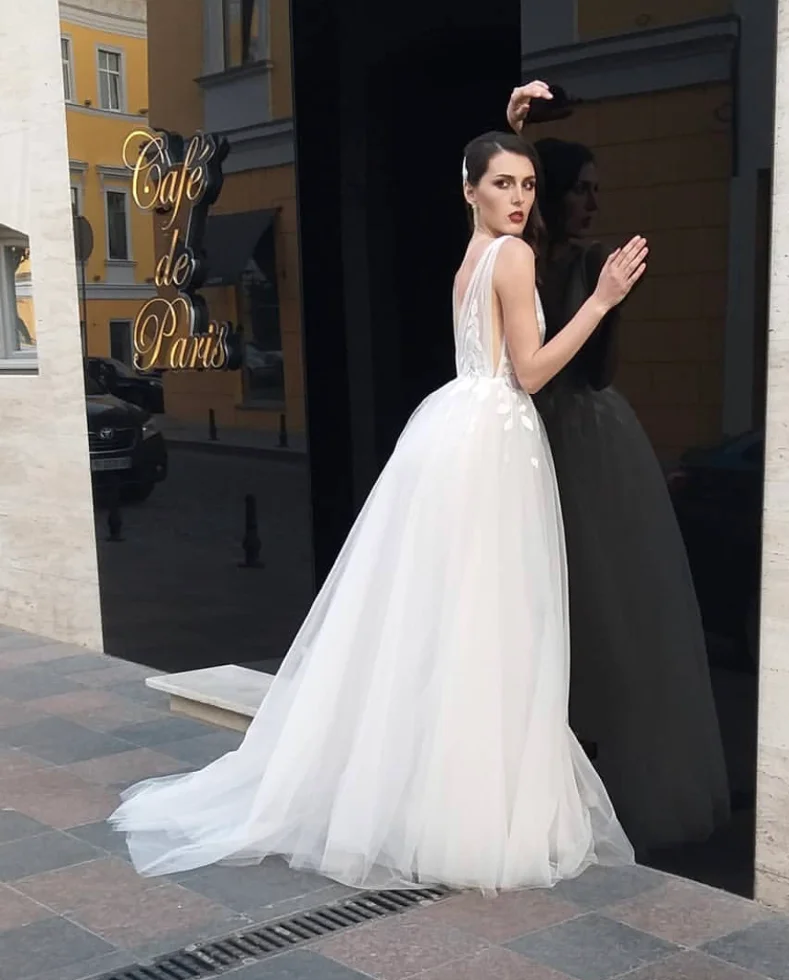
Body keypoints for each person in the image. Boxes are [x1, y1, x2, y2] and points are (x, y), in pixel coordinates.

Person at [109, 130, 647, 894]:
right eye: (504, 184)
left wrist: (509, 122)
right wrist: (601, 300)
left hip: (452, 433)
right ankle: (476, 816)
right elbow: (528, 371)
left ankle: (435, 801)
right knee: (490, 623)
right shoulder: (515, 256)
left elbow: (492, 323)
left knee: (450, 621)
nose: (521, 197)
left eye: (528, 183)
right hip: (492, 439)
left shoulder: (472, 257)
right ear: (471, 190)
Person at [506, 83, 731, 857]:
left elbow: (597, 373)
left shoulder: (592, 264)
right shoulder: (522, 257)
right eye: (584, 190)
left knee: (609, 600)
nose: (594, 204)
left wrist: (606, 299)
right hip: (537, 430)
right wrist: (516, 130)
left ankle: (599, 784)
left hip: (591, 435)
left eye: (598, 191)